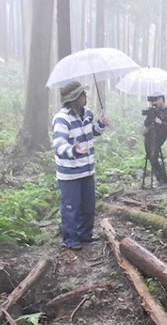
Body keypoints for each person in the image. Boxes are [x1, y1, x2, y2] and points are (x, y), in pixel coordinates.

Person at [52, 81, 108, 250]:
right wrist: (73, 150)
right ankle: (70, 239)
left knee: (88, 206)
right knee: (71, 207)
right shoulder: (62, 119)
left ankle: (85, 234)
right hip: (70, 173)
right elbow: (59, 144)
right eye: (83, 94)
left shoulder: (87, 113)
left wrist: (101, 124)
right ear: (74, 98)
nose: (86, 96)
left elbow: (93, 131)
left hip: (87, 169)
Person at [143, 95, 167, 187]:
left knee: (153, 158)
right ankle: (160, 178)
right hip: (149, 137)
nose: (155, 102)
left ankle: (163, 179)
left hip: (158, 138)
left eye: (156, 100)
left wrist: (161, 123)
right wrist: (150, 117)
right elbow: (146, 124)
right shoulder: (154, 111)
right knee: (151, 157)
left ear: (162, 99)